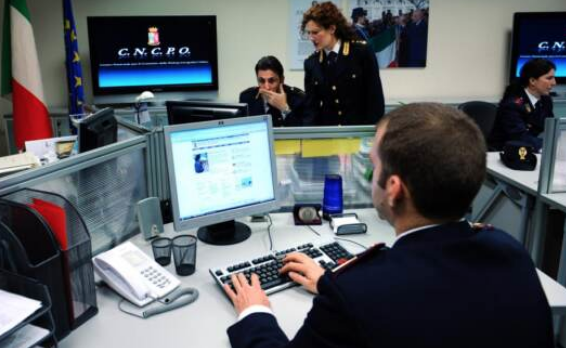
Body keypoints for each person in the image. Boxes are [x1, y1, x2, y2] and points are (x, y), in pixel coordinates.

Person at [224, 103, 554, 348]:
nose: (370, 175)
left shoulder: (354, 294)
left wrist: (255, 314)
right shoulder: (511, 253)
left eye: (374, 165)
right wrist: (326, 282)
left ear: (394, 189)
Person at [302, 1, 384, 126]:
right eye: (308, 33)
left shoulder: (361, 52)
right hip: (329, 132)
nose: (311, 38)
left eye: (315, 32)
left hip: (359, 130)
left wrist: (369, 132)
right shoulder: (311, 63)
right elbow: (311, 108)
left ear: (332, 29)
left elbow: (375, 99)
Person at [489, 58, 556, 151]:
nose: (554, 83)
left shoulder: (546, 100)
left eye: (553, 78)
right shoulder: (513, 104)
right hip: (506, 152)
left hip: (531, 150)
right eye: (549, 78)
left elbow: (551, 128)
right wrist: (548, 146)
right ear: (532, 81)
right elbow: (519, 136)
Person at [239, 56, 312, 127]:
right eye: (262, 81)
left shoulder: (298, 99)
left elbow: (303, 132)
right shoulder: (247, 98)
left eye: (271, 81)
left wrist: (284, 108)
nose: (267, 87)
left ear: (282, 80)